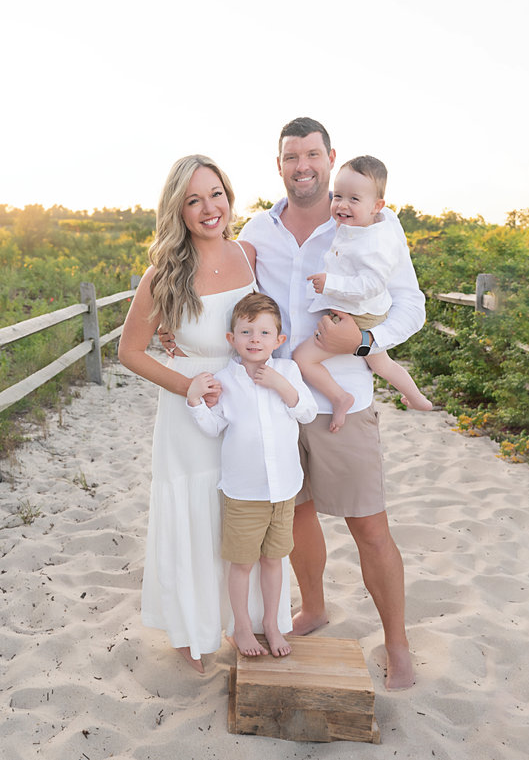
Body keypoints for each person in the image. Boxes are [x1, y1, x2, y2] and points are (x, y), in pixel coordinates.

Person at [160, 118, 426, 689]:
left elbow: (411, 303)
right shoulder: (258, 228)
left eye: (312, 155)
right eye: (290, 157)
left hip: (342, 399)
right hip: (269, 407)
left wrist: (365, 342)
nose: (302, 166)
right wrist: (171, 325)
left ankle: (398, 643)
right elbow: (212, 277)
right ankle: (314, 607)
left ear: (330, 157)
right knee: (294, 515)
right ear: (278, 164)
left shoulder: (372, 224)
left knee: (368, 524)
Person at [118, 154, 292, 674]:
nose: (208, 208)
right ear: (178, 209)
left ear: (229, 196)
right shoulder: (164, 273)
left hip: (247, 406)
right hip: (190, 414)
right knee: (196, 513)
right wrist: (187, 383)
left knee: (244, 511)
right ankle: (193, 630)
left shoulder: (249, 254)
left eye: (215, 194)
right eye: (193, 199)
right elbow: (132, 351)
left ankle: (251, 621)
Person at [186, 292, 317, 658]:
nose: (255, 340)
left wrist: (280, 385)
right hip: (244, 492)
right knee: (242, 563)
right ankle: (242, 627)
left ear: (279, 340)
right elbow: (214, 428)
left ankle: (272, 625)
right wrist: (195, 400)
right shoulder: (226, 381)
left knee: (274, 560)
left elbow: (306, 413)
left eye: (263, 333)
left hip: (284, 489)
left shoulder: (287, 371)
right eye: (246, 332)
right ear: (232, 339)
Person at [293, 154, 432, 433]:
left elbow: (372, 284)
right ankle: (417, 398)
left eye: (354, 199)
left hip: (359, 316)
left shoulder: (376, 242)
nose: (343, 205)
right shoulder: (357, 227)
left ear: (376, 206)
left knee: (303, 359)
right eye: (339, 196)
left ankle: (339, 397)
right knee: (382, 363)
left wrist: (331, 284)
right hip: (363, 313)